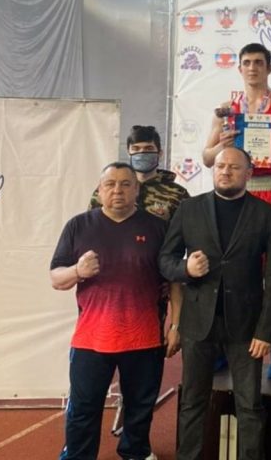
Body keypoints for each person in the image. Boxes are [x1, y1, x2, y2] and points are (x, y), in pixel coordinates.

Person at [159, 147, 271, 460]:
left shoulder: (266, 215)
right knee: (192, 401)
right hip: (197, 323)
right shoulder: (189, 209)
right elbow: (165, 260)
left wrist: (266, 332)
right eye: (220, 166)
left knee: (250, 405)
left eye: (233, 167)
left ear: (249, 173)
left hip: (246, 327)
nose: (225, 172)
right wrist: (186, 269)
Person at [51, 162, 178, 460]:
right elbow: (56, 278)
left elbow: (174, 281)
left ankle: (136, 452)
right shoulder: (78, 226)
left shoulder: (158, 227)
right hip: (92, 338)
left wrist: (176, 325)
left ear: (137, 190)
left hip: (143, 336)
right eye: (110, 184)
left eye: (125, 184)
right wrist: (78, 271)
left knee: (140, 406)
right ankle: (79, 455)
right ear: (99, 190)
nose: (117, 190)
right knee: (84, 407)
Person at [203, 43, 271, 379]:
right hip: (233, 196)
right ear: (239, 68)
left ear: (269, 68)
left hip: (270, 194)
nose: (252, 68)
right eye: (247, 62)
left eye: (258, 63)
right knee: (229, 272)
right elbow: (206, 158)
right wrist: (222, 144)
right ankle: (225, 344)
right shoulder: (226, 110)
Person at [90, 125, 189, 222]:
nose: (142, 153)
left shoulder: (178, 194)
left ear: (160, 153)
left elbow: (186, 229)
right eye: (136, 149)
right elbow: (90, 224)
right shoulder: (108, 190)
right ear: (128, 153)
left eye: (148, 148)